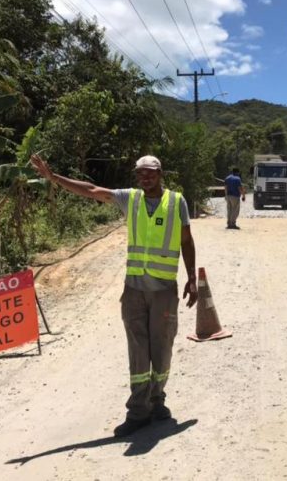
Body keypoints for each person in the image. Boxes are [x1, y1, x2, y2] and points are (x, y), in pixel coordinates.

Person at [30, 154, 198, 437]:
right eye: (140, 173)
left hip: (163, 291)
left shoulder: (176, 201)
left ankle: (157, 401)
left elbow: (186, 240)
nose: (145, 178)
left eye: (150, 172)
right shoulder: (130, 199)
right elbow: (92, 190)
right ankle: (138, 411)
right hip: (134, 290)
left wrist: (192, 277)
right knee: (138, 351)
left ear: (160, 173)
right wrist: (54, 178)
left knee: (162, 349)